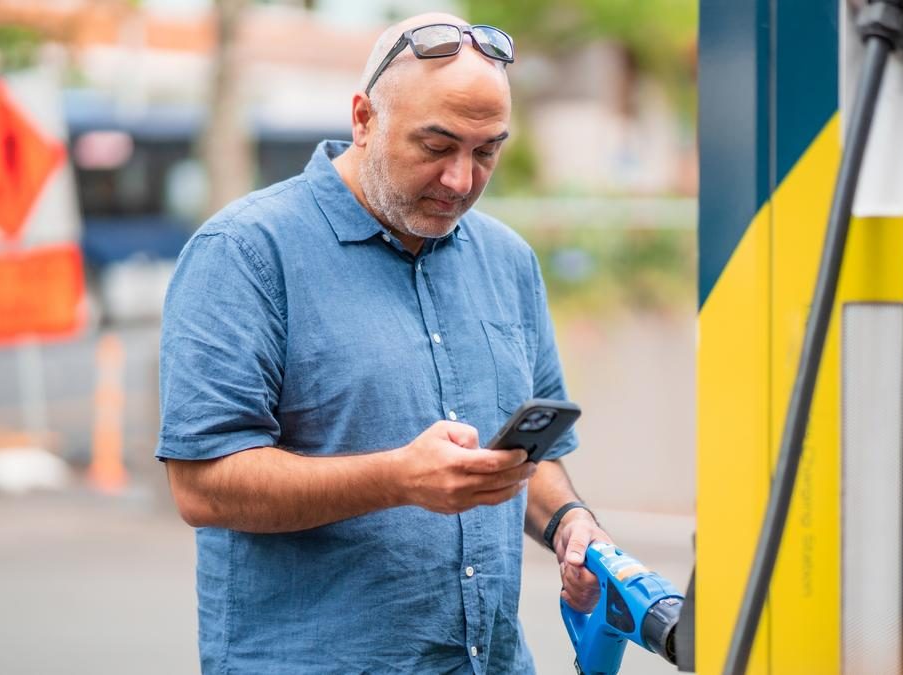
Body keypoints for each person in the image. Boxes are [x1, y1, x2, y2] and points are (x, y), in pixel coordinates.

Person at [157, 12, 611, 674]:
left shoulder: (507, 260)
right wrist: (399, 478)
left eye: (486, 151)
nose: (461, 179)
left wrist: (572, 524)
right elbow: (203, 484)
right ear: (364, 119)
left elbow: (523, 458)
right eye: (436, 146)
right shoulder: (246, 252)